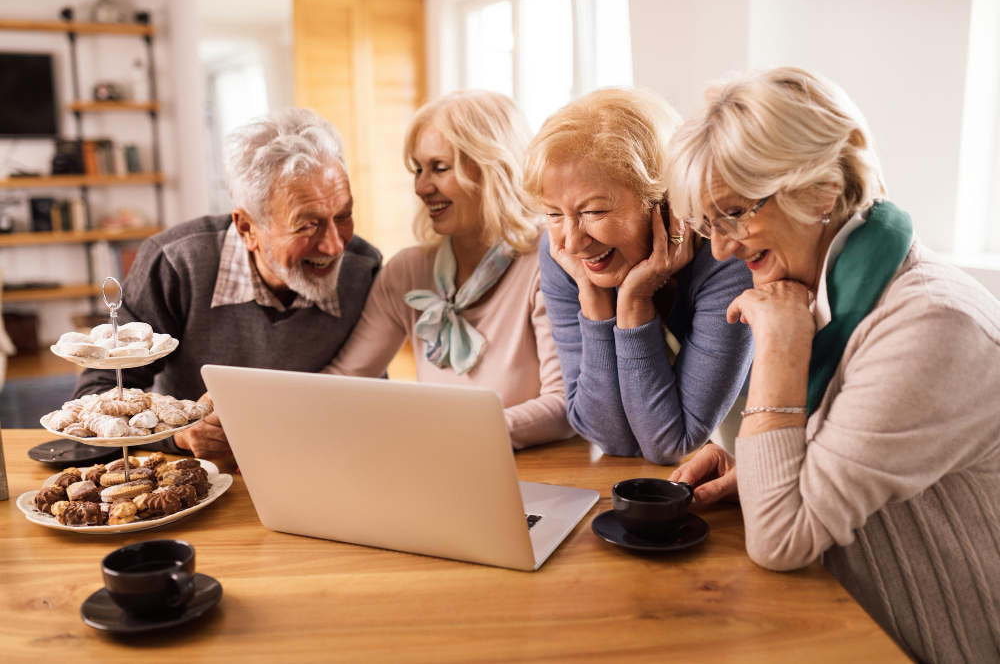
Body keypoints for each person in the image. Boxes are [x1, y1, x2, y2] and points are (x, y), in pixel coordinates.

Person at [666, 67, 1000, 663]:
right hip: (840, 625)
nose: (720, 249)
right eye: (706, 224)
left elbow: (782, 539)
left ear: (820, 187)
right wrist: (761, 469)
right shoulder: (840, 292)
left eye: (736, 214)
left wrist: (779, 344)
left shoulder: (931, 325)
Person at [73, 108, 382, 459]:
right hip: (201, 473)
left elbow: (371, 393)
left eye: (342, 215)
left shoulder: (363, 268)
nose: (335, 246)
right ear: (247, 228)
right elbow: (96, 396)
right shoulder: (176, 263)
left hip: (316, 461)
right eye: (308, 225)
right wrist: (180, 434)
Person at [322, 90, 573, 448]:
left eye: (439, 167)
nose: (422, 187)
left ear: (492, 169)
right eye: (418, 169)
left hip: (542, 475)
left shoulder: (549, 260)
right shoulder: (407, 272)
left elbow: (565, 406)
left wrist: (457, 431)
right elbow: (344, 378)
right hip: (444, 466)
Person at [522, 87, 755, 464]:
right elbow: (608, 435)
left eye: (594, 212)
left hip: (769, 466)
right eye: (553, 213)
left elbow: (671, 443)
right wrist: (595, 304)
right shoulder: (563, 257)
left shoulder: (727, 257)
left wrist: (632, 304)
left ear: (664, 203)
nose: (573, 240)